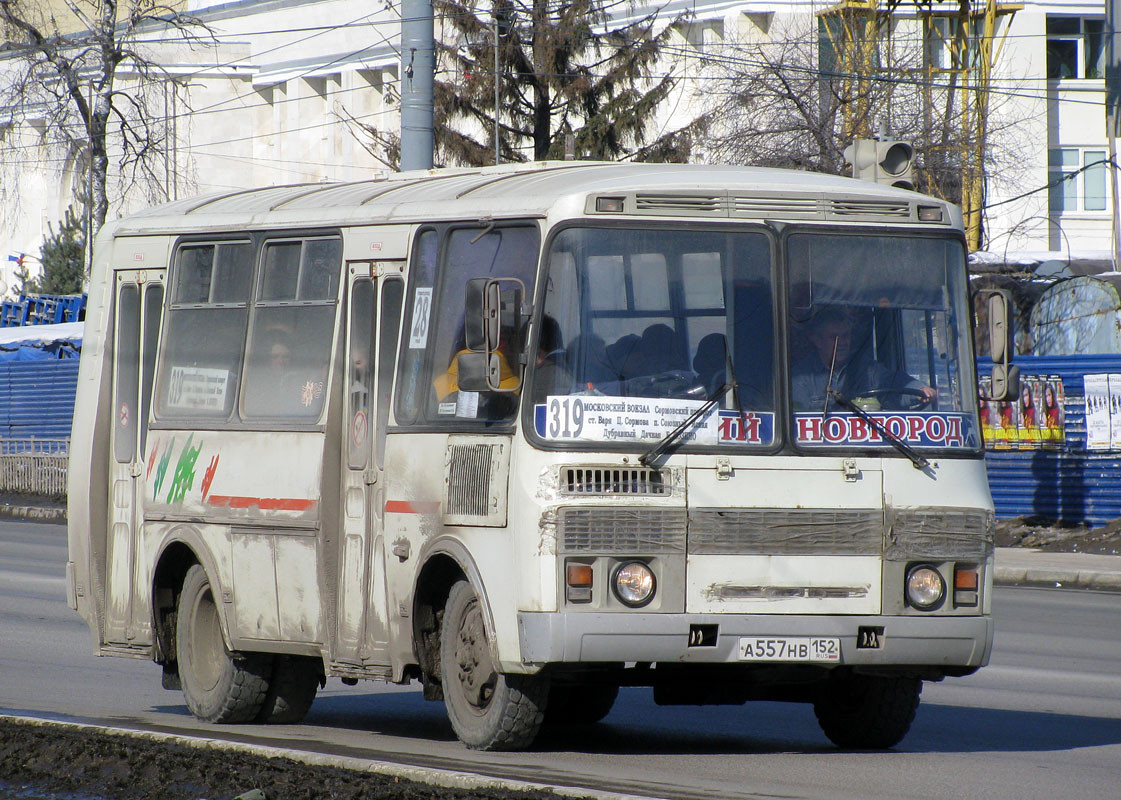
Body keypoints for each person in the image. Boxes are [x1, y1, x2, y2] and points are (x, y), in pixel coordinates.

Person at [791, 307, 935, 412]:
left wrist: (920, 389)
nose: (842, 342)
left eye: (846, 336)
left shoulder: (867, 370)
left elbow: (895, 383)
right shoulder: (801, 377)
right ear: (817, 340)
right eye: (834, 337)